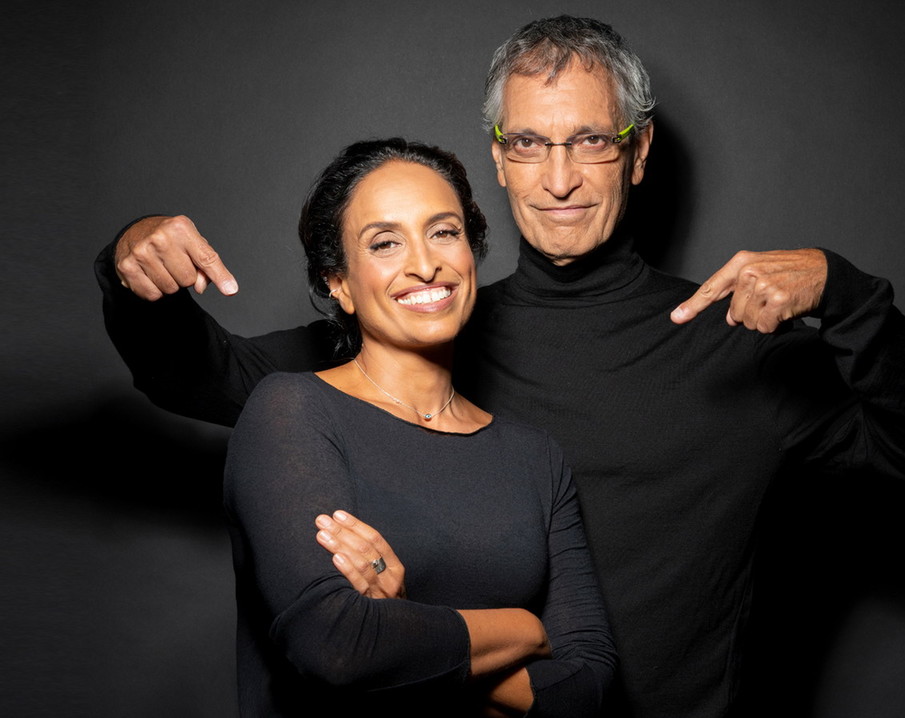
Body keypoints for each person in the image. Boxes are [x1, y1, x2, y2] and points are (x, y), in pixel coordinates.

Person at [96, 16, 905, 718]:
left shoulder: (738, 343)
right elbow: (197, 377)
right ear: (497, 157)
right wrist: (133, 265)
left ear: (637, 151)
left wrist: (847, 293)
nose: (558, 180)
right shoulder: (425, 329)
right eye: (527, 143)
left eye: (589, 141)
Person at [223, 137, 616, 716]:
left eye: (444, 232)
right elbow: (337, 648)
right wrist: (526, 629)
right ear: (338, 283)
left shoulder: (535, 457)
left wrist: (405, 626)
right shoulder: (292, 412)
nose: (425, 264)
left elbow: (588, 687)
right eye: (385, 242)